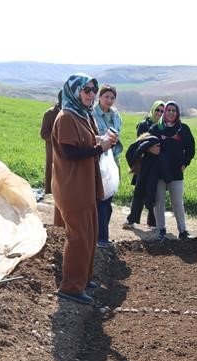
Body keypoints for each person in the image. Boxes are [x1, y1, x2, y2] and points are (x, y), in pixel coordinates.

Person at [51, 73, 114, 305]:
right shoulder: (66, 117)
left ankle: (84, 279)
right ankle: (70, 286)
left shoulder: (82, 115)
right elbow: (70, 152)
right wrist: (100, 148)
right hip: (72, 187)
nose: (91, 95)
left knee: (89, 234)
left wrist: (101, 139)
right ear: (74, 91)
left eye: (93, 91)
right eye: (86, 90)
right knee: (78, 236)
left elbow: (85, 142)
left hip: (85, 185)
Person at [148, 101, 195, 240]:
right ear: (164, 112)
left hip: (176, 171)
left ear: (177, 113)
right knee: (159, 201)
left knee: (177, 202)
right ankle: (161, 230)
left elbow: (191, 149)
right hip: (159, 171)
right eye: (168, 110)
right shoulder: (155, 129)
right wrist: (150, 149)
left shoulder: (183, 129)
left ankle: (183, 231)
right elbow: (146, 145)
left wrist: (185, 163)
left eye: (174, 110)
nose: (171, 113)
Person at [92, 85, 123, 248]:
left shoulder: (116, 115)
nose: (109, 100)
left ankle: (102, 235)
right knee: (101, 201)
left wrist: (114, 139)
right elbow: (90, 136)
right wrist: (103, 139)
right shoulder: (92, 113)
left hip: (112, 160)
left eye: (112, 98)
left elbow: (119, 134)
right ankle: (101, 238)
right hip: (97, 160)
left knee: (108, 200)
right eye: (106, 97)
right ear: (100, 97)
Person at [126, 101, 164, 228]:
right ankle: (132, 220)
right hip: (143, 163)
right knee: (139, 192)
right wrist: (148, 149)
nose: (159, 113)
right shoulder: (144, 124)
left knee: (154, 192)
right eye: (157, 110)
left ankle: (152, 223)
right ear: (153, 110)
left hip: (157, 165)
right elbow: (139, 143)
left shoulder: (164, 126)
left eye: (162, 111)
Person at [40, 91, 62, 194]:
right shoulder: (49, 114)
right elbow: (43, 133)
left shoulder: (71, 113)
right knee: (51, 173)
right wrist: (57, 138)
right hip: (52, 150)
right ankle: (49, 194)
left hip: (66, 152)